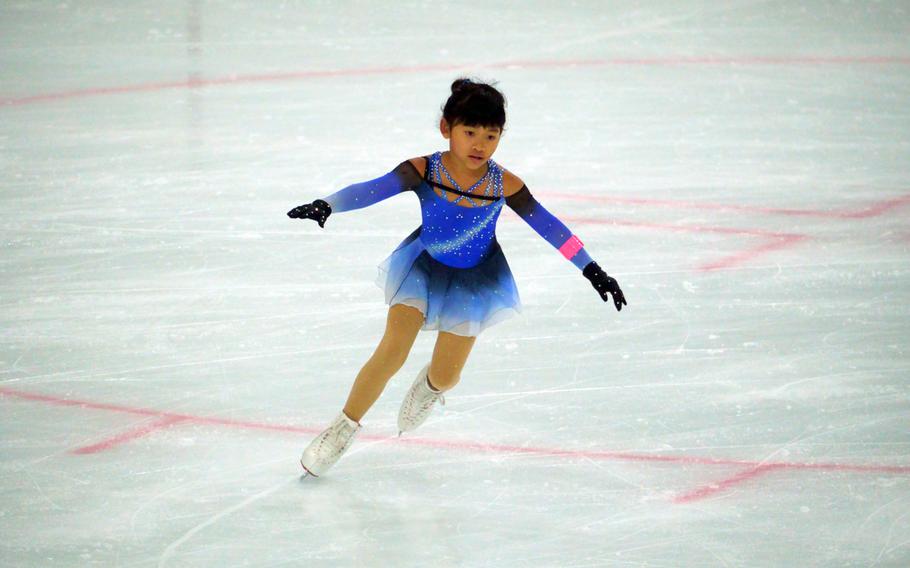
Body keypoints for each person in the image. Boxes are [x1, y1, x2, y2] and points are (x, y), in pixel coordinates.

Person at [287, 78, 626, 477]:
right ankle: (343, 427)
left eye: (491, 135)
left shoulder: (506, 185)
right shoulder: (423, 170)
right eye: (469, 132)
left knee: (448, 375)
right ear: (446, 128)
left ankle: (429, 388)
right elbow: (375, 189)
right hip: (422, 268)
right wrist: (328, 204)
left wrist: (591, 268)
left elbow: (549, 226)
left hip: (474, 280)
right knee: (393, 349)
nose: (480, 144)